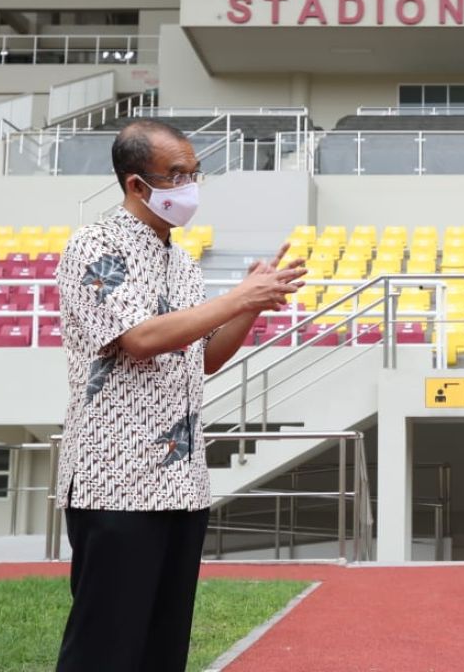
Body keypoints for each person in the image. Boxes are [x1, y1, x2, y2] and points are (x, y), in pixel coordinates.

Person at [54, 119, 307, 672]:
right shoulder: (96, 244)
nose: (189, 185)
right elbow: (141, 339)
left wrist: (247, 306)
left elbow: (206, 357)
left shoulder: (182, 262)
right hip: (114, 482)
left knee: (163, 645)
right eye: (175, 175)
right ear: (135, 185)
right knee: (105, 646)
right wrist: (237, 295)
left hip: (180, 481)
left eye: (193, 173)